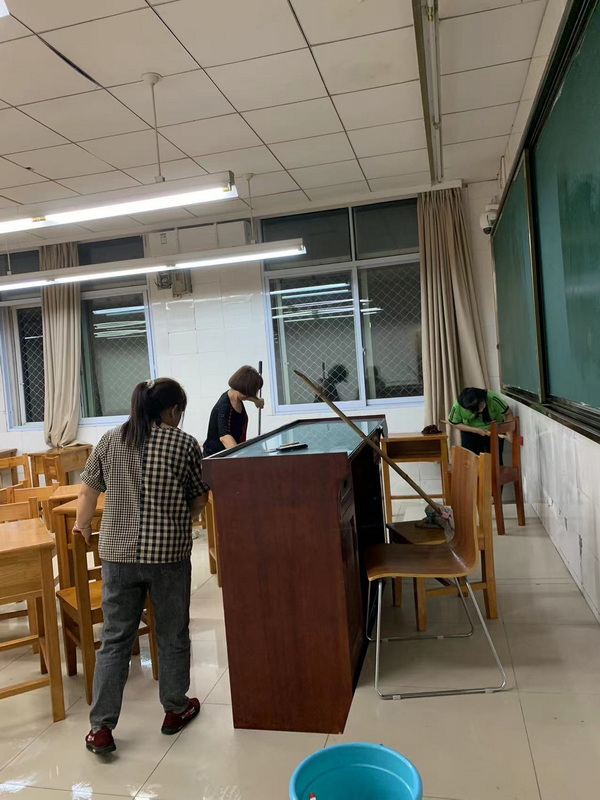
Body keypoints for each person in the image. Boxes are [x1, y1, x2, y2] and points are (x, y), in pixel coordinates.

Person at [76, 378, 209, 756]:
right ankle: (175, 708)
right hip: (168, 556)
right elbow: (199, 498)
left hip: (117, 557)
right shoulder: (184, 444)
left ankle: (101, 728)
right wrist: (181, 516)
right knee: (171, 632)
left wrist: (82, 526)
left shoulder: (110, 439)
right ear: (172, 410)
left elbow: (87, 490)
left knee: (115, 639)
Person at [203, 365, 264, 456]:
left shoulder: (236, 396)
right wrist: (240, 456)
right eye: (249, 393)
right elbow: (225, 437)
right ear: (242, 388)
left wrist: (256, 400)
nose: (249, 396)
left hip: (232, 451)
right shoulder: (224, 406)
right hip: (218, 456)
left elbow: (244, 395)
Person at [448, 386, 513, 460]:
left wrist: (508, 431)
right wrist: (476, 430)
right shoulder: (458, 406)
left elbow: (508, 413)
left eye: (482, 405)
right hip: (470, 431)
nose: (481, 410)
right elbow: (455, 423)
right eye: (477, 409)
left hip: (494, 430)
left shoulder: (492, 397)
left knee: (494, 460)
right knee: (471, 460)